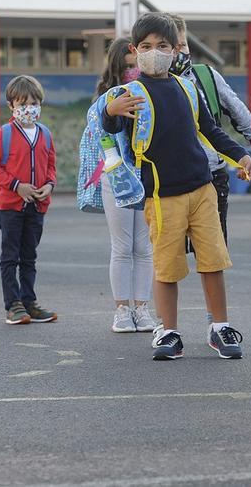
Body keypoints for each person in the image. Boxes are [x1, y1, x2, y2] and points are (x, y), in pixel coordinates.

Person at [103, 12, 251, 361]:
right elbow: (110, 126)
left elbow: (210, 129)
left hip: (203, 190)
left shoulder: (187, 87)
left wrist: (240, 155)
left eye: (163, 46)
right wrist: (112, 109)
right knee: (167, 266)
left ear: (176, 50)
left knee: (212, 260)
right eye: (146, 46)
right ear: (134, 50)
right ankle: (168, 331)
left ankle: (220, 327)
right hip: (161, 194)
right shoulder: (130, 93)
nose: (155, 52)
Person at [167, 13, 251, 243]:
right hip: (166, 183)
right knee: (166, 258)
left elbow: (241, 115)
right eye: (172, 46)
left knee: (213, 254)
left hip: (212, 176)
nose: (179, 51)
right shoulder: (146, 87)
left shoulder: (206, 76)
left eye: (183, 44)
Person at [0, 76, 58, 325]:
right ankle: (12, 304)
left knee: (29, 256)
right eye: (23, 103)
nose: (29, 108)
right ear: (11, 105)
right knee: (10, 256)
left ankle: (29, 301)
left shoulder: (45, 134)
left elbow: (51, 166)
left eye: (34, 102)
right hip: (11, 206)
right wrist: (17, 186)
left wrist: (49, 185)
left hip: (37, 206)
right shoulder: (3, 134)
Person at [93, 37, 155, 333]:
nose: (133, 71)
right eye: (127, 67)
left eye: (136, 66)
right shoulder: (105, 99)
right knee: (122, 246)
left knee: (143, 246)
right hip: (116, 178)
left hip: (147, 176)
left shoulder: (151, 95)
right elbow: (97, 133)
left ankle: (142, 308)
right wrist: (112, 109)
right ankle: (121, 309)